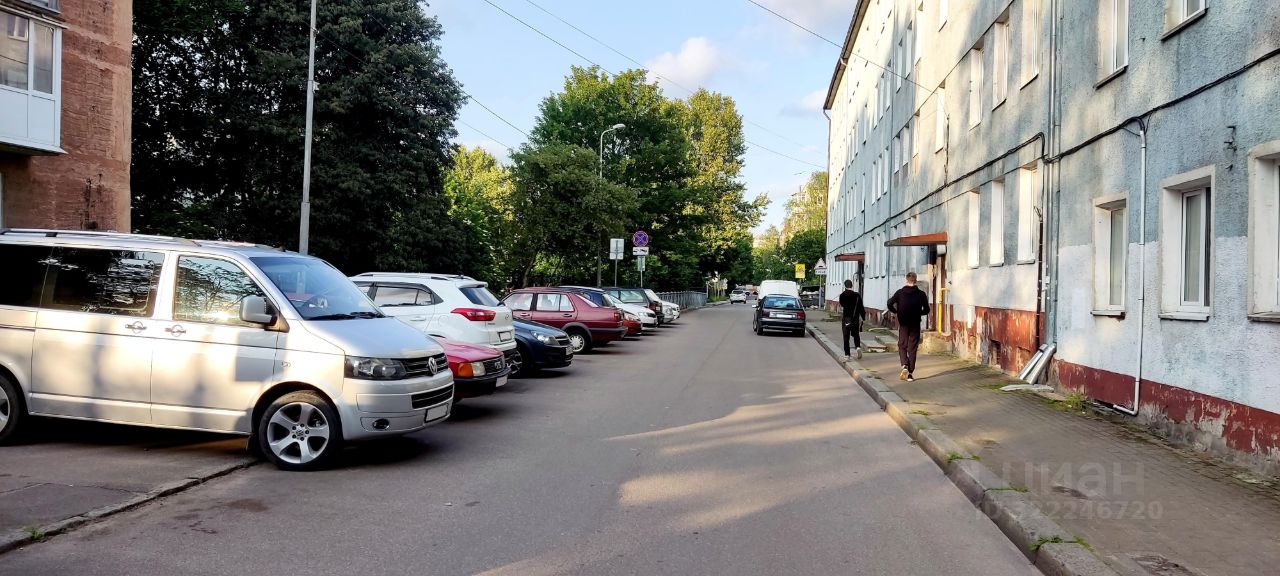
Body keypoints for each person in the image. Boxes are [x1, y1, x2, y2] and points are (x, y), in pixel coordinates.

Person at [887, 272, 930, 382]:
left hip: (904, 324)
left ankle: (905, 364)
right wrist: (918, 313)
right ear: (915, 280)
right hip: (915, 324)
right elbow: (927, 310)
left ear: (906, 280)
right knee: (912, 348)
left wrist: (896, 311)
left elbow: (889, 303)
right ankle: (910, 374)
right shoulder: (921, 294)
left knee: (902, 345)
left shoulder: (900, 293)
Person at [838, 279, 865, 360]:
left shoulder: (842, 295)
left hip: (846, 319)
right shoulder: (857, 295)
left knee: (846, 337)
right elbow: (861, 307)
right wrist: (863, 318)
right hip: (855, 319)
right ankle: (858, 347)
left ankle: (847, 354)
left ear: (845, 286)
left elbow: (842, 305)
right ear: (852, 285)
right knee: (856, 334)